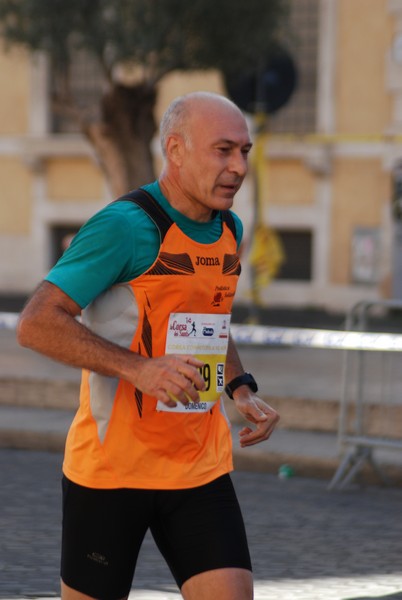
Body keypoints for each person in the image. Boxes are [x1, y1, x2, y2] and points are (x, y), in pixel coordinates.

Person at [17, 91, 280, 600]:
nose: (238, 166)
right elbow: (35, 322)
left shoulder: (229, 229)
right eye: (222, 150)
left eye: (244, 151)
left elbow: (210, 321)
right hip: (111, 474)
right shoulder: (125, 226)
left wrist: (241, 389)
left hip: (198, 468)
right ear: (175, 150)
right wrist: (139, 369)